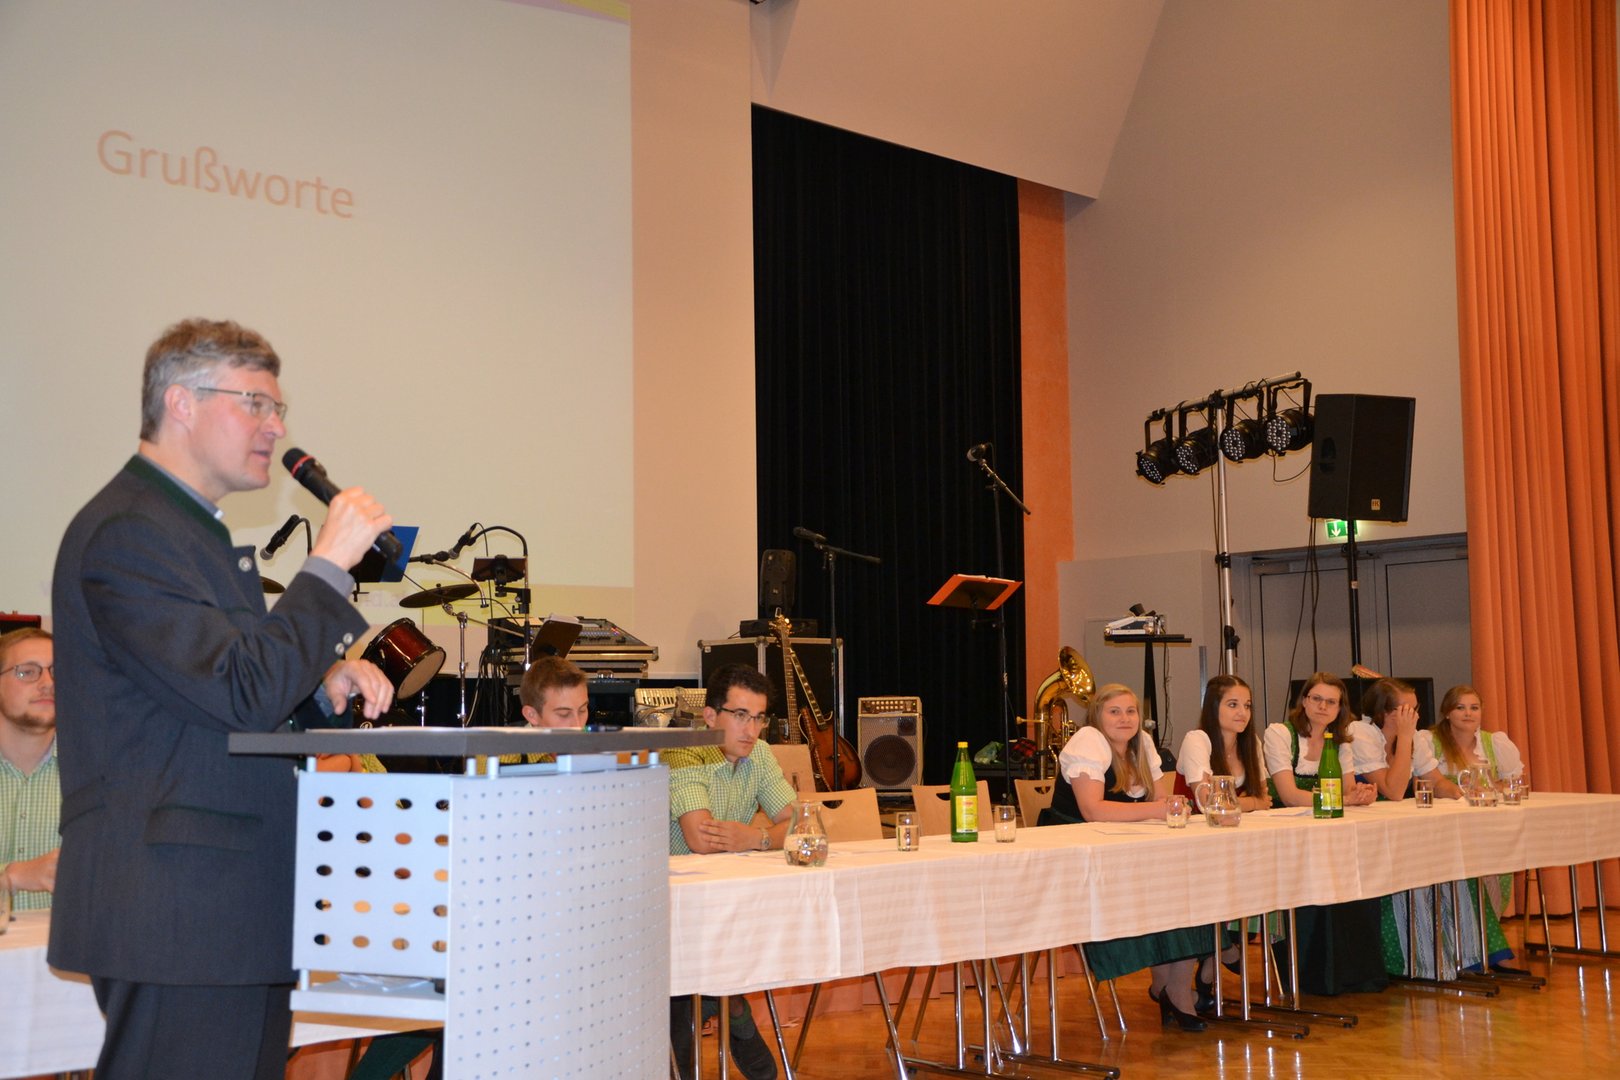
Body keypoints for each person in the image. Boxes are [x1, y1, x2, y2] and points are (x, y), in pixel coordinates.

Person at [49, 318, 396, 1080]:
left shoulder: (186, 533)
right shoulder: (128, 533)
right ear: (181, 402)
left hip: (223, 910)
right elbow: (241, 691)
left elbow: (221, 695)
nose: (277, 428)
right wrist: (327, 568)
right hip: (179, 910)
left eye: (278, 409)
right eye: (255, 404)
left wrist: (316, 690)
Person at [1043, 683, 1210, 1031]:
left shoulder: (1142, 744)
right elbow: (1093, 811)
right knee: (1161, 892)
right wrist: (1158, 809)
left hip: (1124, 849)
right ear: (1097, 716)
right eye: (1114, 711)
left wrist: (1168, 808)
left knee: (1187, 886)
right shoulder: (1089, 741)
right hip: (1079, 857)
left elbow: (1162, 801)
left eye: (1131, 711)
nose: (1125, 718)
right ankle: (1171, 988)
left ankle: (1173, 986)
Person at [667, 663, 793, 1080]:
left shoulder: (760, 754)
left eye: (758, 718)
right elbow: (701, 839)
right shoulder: (684, 751)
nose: (751, 730)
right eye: (740, 715)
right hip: (672, 905)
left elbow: (805, 826)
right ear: (710, 716)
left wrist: (755, 838)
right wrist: (763, 835)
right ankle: (731, 1005)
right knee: (683, 990)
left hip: (730, 901)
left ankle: (728, 1001)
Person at [1263, 673, 1386, 995]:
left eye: (1331, 702)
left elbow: (1347, 791)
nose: (1323, 706)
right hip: (1286, 834)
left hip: (1327, 835)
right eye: (1316, 698)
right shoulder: (1280, 734)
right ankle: (1310, 971)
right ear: (1304, 701)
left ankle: (1349, 971)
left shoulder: (1340, 741)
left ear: (1340, 708)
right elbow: (1289, 795)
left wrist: (1361, 795)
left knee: (1355, 881)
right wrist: (1344, 799)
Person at [1408, 684, 1524, 973]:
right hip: (1442, 833)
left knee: (1493, 872)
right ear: (1447, 712)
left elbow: (1513, 783)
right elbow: (1427, 785)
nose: (1468, 713)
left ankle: (1483, 945)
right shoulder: (1429, 742)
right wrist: (1468, 791)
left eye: (1474, 707)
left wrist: (1490, 787)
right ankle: (1476, 949)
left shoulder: (1494, 744)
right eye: (1460, 707)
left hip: (1486, 830)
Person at [0, 627, 59, 910]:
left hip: (62, 939)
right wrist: (12, 876)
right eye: (27, 672)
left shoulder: (97, 777)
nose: (48, 682)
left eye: (57, 671)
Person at [1176, 674, 1269, 813]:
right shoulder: (1196, 740)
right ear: (1213, 708)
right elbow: (1207, 803)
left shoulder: (1252, 742)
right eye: (1233, 705)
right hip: (1199, 825)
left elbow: (1264, 798)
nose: (1243, 713)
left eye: (1247, 706)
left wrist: (1233, 802)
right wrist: (1253, 802)